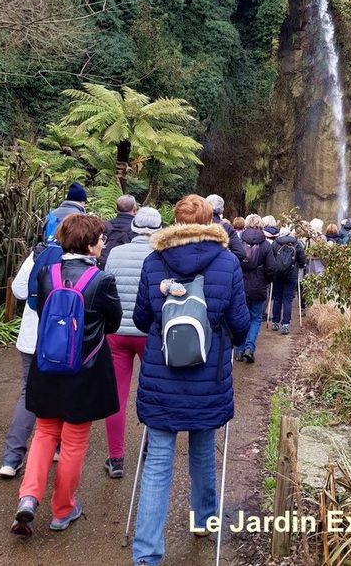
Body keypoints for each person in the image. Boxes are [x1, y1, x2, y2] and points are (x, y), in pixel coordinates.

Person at [131, 194, 250, 566]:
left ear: (176, 221)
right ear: (210, 220)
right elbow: (242, 324)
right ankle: (203, 522)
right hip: (208, 378)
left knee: (158, 463)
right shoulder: (227, 262)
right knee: (202, 452)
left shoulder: (154, 261)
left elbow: (139, 318)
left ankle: (148, 554)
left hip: (160, 376)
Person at [11, 214, 122, 537]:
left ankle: (29, 498)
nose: (103, 243)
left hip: (48, 365)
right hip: (84, 370)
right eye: (100, 239)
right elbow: (112, 323)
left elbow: (44, 311)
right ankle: (62, 509)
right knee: (73, 441)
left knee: (44, 433)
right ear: (89, 244)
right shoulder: (101, 280)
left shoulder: (47, 274)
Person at [102, 207, 163, 479]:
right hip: (149, 332)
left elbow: (106, 288)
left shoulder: (115, 253)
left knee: (116, 394)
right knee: (152, 390)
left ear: (134, 227)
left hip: (117, 332)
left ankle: (116, 458)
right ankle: (150, 445)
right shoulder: (161, 256)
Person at [0, 239, 63, 478]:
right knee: (61, 391)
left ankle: (10, 459)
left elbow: (18, 289)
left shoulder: (39, 254)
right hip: (61, 341)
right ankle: (56, 448)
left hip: (30, 336)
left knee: (28, 392)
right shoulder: (79, 258)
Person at [235, 214, 275, 363]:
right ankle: (249, 348)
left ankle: (239, 349)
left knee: (241, 317)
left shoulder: (238, 241)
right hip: (259, 286)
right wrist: (267, 280)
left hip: (241, 285)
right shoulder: (266, 245)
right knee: (256, 318)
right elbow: (271, 267)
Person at [271, 226, 306, 334]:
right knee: (287, 299)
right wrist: (300, 266)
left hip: (277, 274)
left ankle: (275, 322)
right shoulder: (297, 243)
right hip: (291, 274)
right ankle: (285, 324)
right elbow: (302, 260)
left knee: (277, 298)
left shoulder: (276, 243)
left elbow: (271, 257)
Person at [98, 194, 138, 268]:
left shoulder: (105, 226)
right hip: (127, 266)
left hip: (104, 265)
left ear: (116, 208)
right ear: (134, 208)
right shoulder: (136, 228)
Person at [205, 193, 246, 262]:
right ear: (222, 210)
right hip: (220, 266)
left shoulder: (197, 223)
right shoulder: (227, 227)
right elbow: (240, 253)